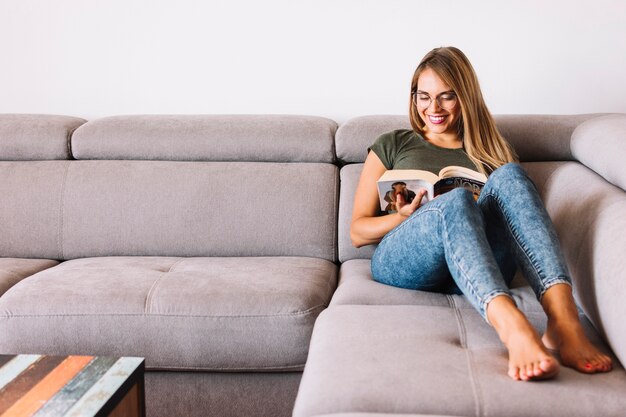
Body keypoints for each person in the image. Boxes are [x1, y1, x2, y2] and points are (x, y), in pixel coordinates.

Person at [350, 46, 613, 381]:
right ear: (413, 96)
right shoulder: (393, 143)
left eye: (447, 96)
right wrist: (402, 217)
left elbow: (519, 221)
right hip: (406, 259)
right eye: (424, 96)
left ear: (466, 97)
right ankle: (513, 327)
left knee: (510, 176)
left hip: (479, 263)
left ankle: (563, 321)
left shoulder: (492, 150)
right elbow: (357, 233)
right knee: (455, 200)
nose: (434, 108)